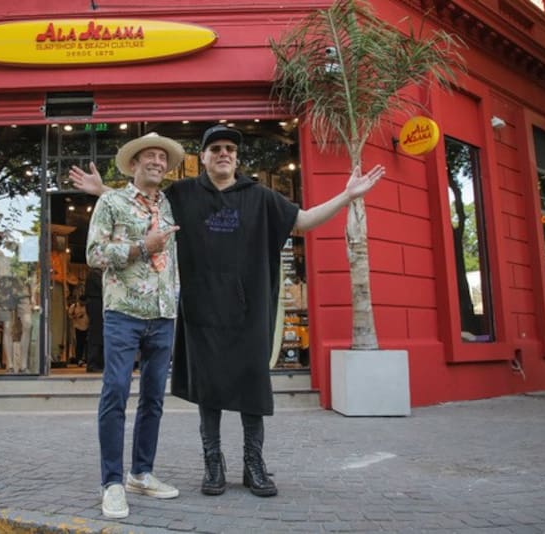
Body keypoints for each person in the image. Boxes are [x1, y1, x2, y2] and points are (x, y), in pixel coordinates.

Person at [70, 124, 385, 498]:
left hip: (249, 312)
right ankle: (213, 465)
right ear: (201, 157)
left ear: (236, 158)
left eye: (230, 149)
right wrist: (103, 192)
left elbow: (303, 221)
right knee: (210, 390)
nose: (223, 153)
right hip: (200, 311)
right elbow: (143, 205)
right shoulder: (183, 194)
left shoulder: (260, 196)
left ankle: (254, 464)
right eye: (215, 148)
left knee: (252, 386)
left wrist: (347, 196)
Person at [84, 132, 183, 519]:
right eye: (150, 157)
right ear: (135, 164)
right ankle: (111, 483)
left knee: (154, 399)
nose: (157, 162)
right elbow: (93, 254)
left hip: (163, 314)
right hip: (123, 312)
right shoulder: (111, 202)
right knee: (115, 394)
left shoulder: (169, 205)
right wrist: (143, 248)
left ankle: (141, 472)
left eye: (163, 157)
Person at [0, 243, 35, 373]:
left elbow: (32, 274)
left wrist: (33, 295)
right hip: (4, 296)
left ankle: (24, 365)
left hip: (23, 294)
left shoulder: (27, 251)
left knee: (28, 324)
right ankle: (9, 365)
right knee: (7, 327)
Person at [84, 267, 104, 373]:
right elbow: (103, 287)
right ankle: (93, 363)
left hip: (98, 302)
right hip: (96, 303)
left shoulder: (96, 273)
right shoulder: (94, 274)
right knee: (96, 333)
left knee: (99, 333)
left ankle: (98, 362)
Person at [68, 295, 89, 366]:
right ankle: (79, 359)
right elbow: (70, 315)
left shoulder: (88, 306)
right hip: (78, 327)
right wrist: (76, 316)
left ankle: (87, 359)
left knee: (87, 343)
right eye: (82, 302)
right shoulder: (74, 306)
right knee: (79, 343)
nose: (83, 303)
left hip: (87, 326)